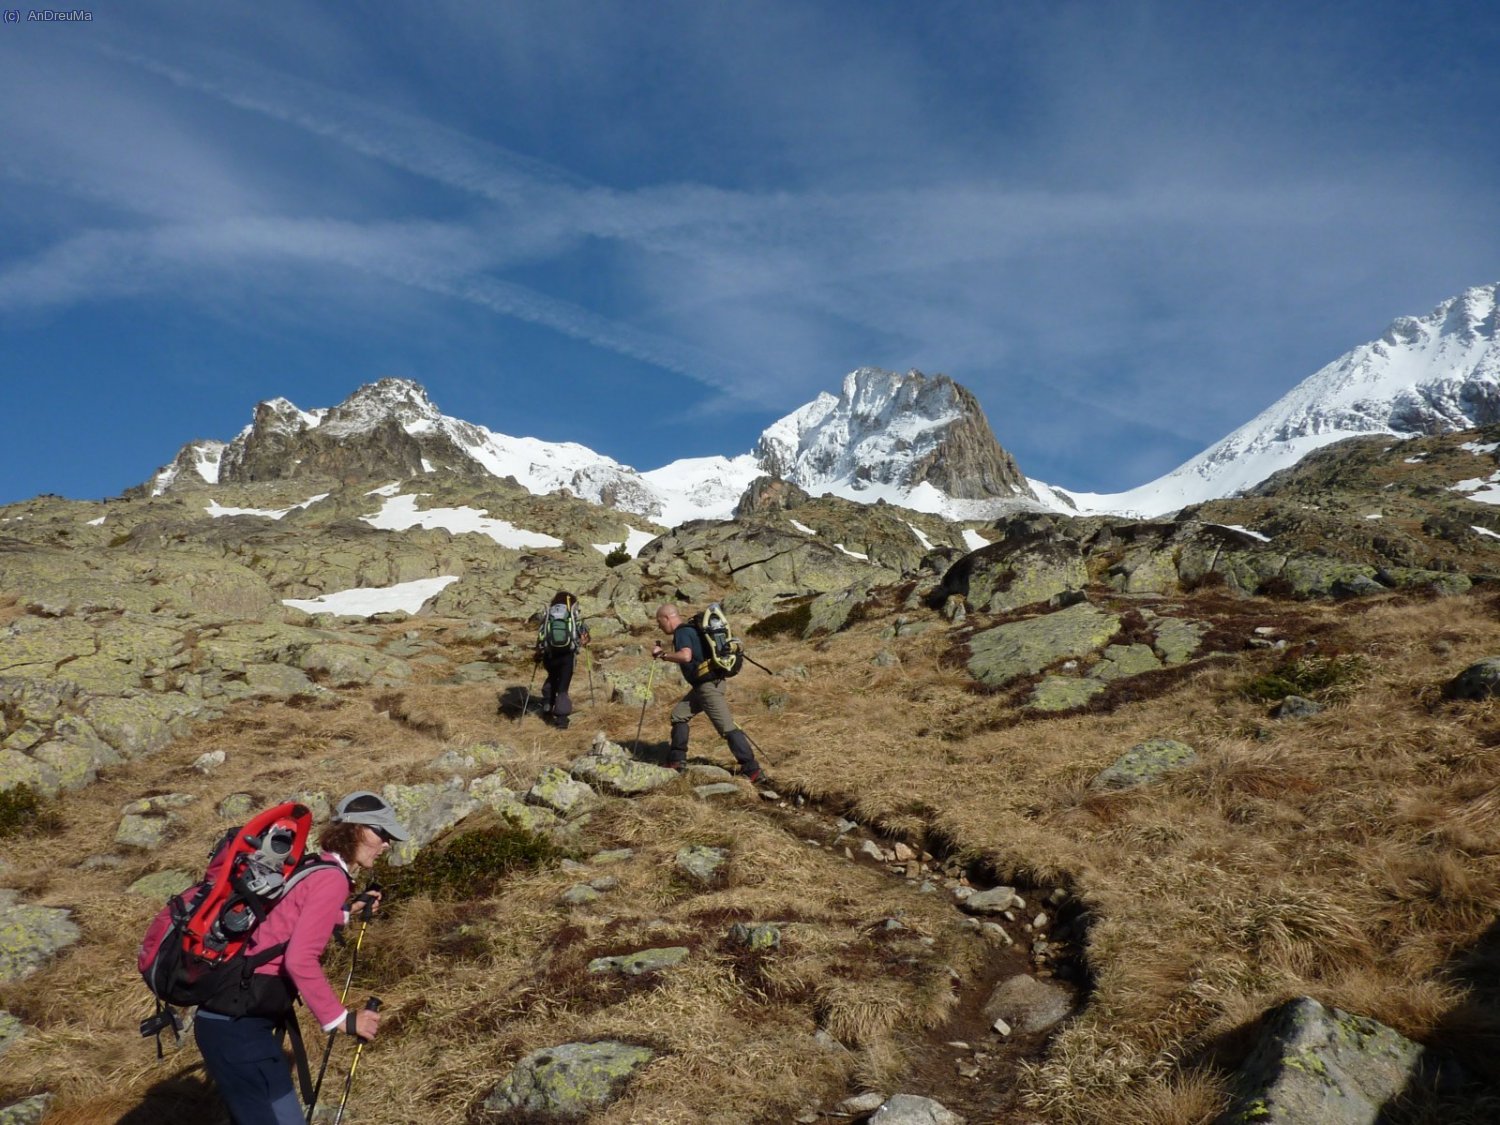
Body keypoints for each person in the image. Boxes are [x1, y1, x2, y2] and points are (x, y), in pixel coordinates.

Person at [194, 791, 408, 1125]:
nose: (386, 845)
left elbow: (286, 919)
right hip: (238, 1028)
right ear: (358, 831)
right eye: (382, 834)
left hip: (234, 1021)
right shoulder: (331, 879)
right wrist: (343, 1020)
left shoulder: (314, 865)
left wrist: (345, 914)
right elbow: (299, 959)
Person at [652, 603, 762, 781]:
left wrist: (662, 655)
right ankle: (676, 760)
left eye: (659, 622)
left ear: (666, 618)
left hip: (708, 687)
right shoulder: (693, 630)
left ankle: (752, 770)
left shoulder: (681, 632)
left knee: (727, 728)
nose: (659, 627)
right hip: (706, 685)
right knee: (679, 715)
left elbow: (685, 656)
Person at [536, 591, 590, 730]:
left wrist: (538, 653)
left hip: (550, 656)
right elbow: (584, 634)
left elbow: (541, 636)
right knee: (563, 689)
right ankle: (561, 720)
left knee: (552, 677)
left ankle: (548, 702)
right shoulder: (572, 614)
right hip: (567, 656)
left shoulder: (549, 615)